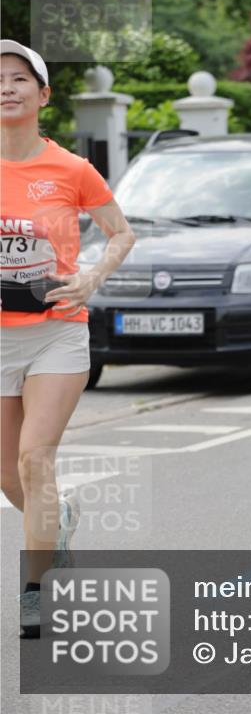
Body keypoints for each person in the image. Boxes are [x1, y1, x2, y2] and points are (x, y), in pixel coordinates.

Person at [0, 40, 135, 637]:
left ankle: (34, 591)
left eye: (19, 78)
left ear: (43, 94)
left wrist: (91, 278)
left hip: (56, 333)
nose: (7, 87)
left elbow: (121, 234)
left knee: (35, 459)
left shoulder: (70, 169)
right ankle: (61, 522)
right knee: (7, 474)